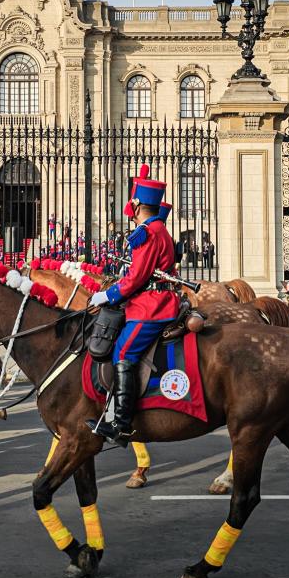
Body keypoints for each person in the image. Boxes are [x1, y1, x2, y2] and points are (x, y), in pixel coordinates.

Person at [86, 165, 177, 447]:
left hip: (153, 306)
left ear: (136, 205)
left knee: (123, 351)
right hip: (151, 301)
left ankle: (122, 424)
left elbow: (137, 277)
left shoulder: (148, 232)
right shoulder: (157, 229)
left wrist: (108, 295)